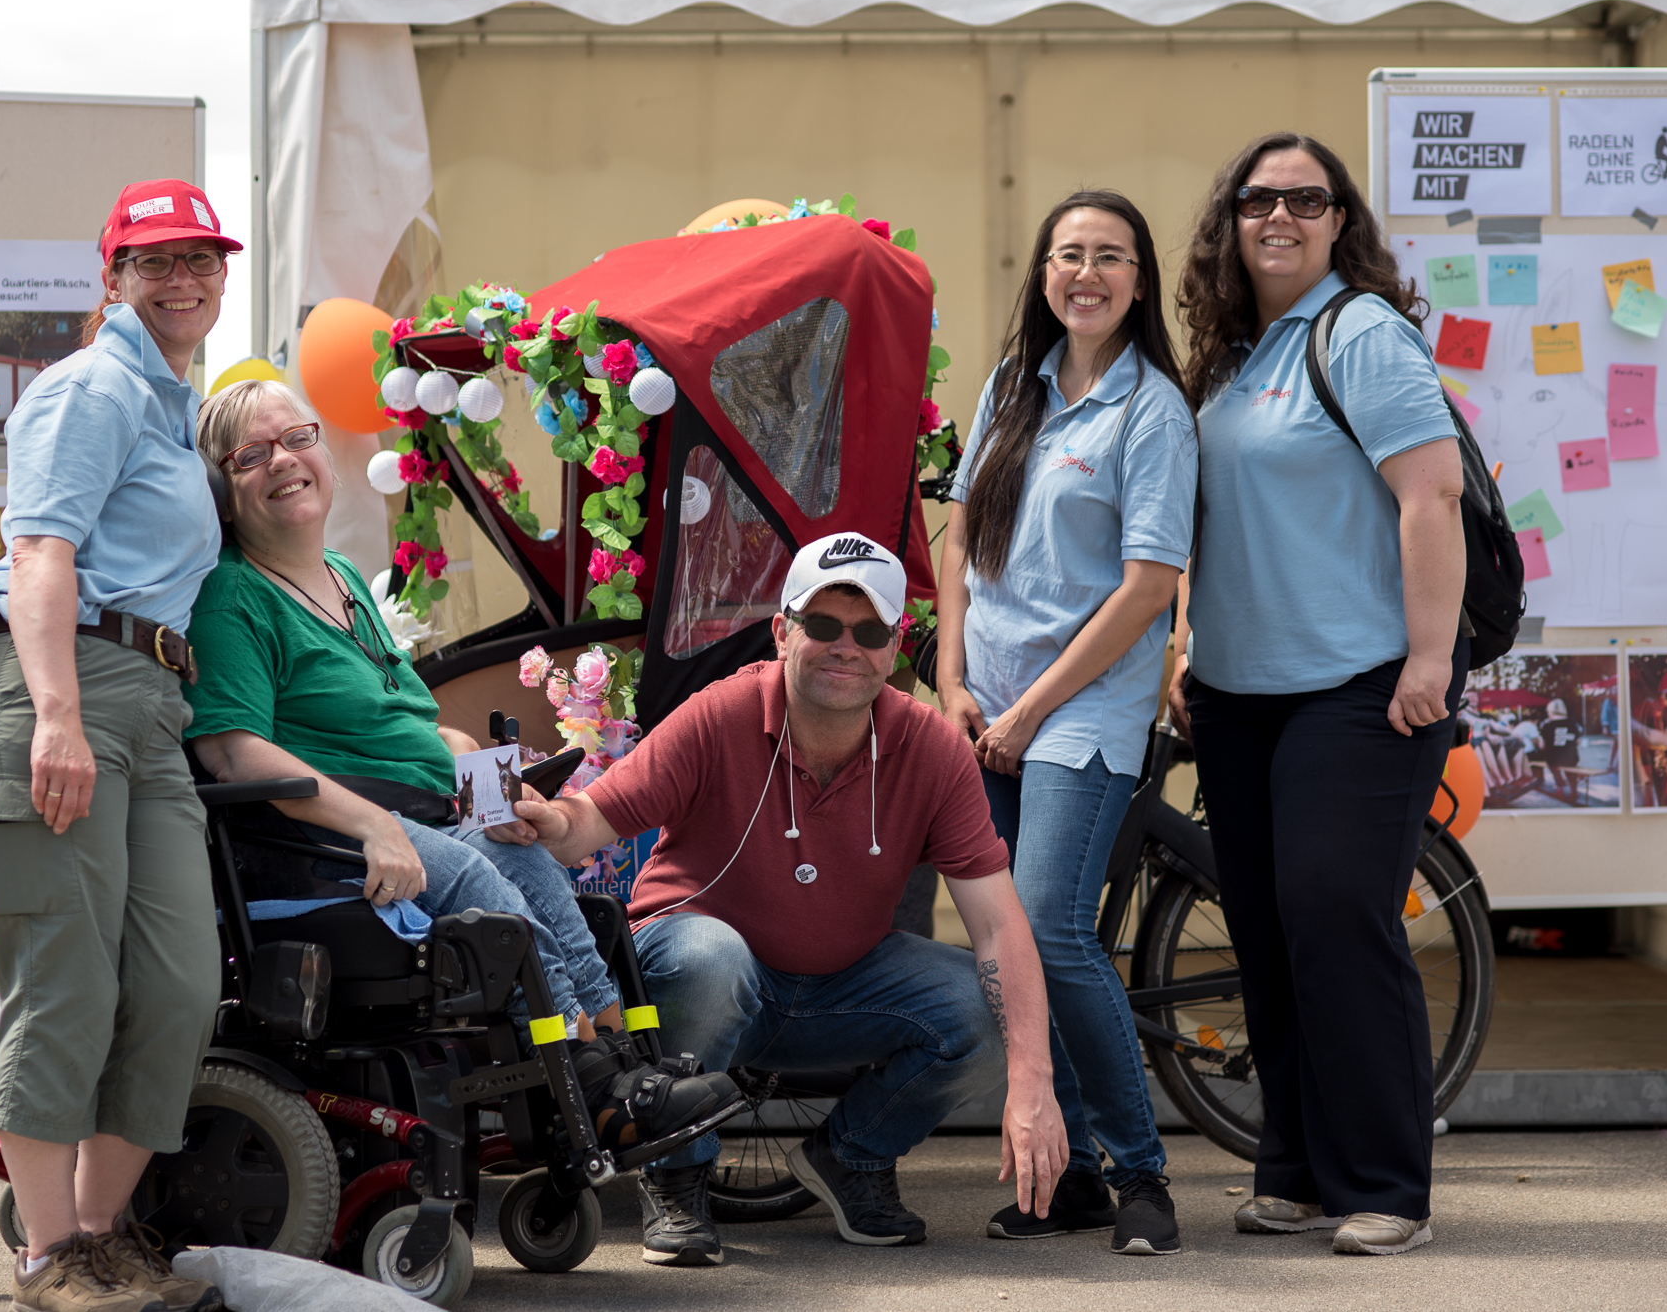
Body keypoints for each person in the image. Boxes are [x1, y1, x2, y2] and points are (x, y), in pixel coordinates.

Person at [180, 378, 736, 1158]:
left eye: (298, 437)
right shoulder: (231, 595)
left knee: (524, 853)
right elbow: (231, 750)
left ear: (325, 457)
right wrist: (374, 824)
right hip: (318, 840)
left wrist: (474, 767)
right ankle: (588, 1083)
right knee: (484, 889)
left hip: (419, 806)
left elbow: (402, 720)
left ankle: (622, 1066)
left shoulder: (341, 579)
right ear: (223, 492)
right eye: (251, 453)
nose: (284, 459)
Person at [508, 533, 1067, 1266]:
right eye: (822, 625)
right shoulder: (719, 713)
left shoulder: (930, 747)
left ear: (894, 645)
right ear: (782, 630)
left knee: (984, 1010)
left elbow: (998, 922)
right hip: (701, 978)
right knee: (713, 955)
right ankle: (676, 1171)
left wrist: (1033, 1079)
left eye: (868, 631)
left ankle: (850, 1156)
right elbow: (592, 819)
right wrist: (548, 819)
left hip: (839, 987)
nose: (846, 647)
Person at [0, 179, 238, 1312]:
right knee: (64, 979)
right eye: (155, 261)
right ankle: (48, 1255)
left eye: (201, 258)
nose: (183, 279)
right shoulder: (91, 388)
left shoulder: (165, 401)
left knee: (174, 980)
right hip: (62, 686)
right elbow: (41, 558)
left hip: (152, 701)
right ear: (110, 278)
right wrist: (57, 715)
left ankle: (100, 1235)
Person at [1168, 132, 1467, 1257]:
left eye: (1307, 198)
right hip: (1240, 694)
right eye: (1258, 199)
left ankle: (1385, 1179)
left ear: (1340, 219)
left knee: (1339, 912)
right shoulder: (1238, 354)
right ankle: (1290, 1166)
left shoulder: (1362, 332)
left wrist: (1427, 662)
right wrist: (1190, 645)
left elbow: (1428, 498)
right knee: (1269, 931)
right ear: (1231, 221)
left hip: (1360, 684)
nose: (1280, 216)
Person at [935, 190, 1196, 1254]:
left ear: (1138, 282)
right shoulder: (1015, 385)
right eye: (1067, 254)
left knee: (1046, 926)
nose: (1084, 272)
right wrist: (949, 679)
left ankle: (1142, 1173)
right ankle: (1075, 1171)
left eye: (1109, 257)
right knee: (1005, 944)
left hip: (1080, 708)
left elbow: (1146, 585)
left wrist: (1031, 707)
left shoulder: (1154, 412)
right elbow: (956, 542)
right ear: (1042, 272)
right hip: (984, 704)